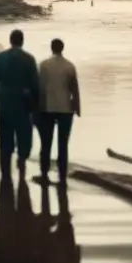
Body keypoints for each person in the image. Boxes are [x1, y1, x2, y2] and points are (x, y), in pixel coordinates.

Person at [0, 29, 39, 177]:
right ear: (22, 41)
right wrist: (35, 106)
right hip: (22, 105)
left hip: (4, 104)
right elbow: (35, 85)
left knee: (5, 139)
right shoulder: (29, 59)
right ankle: (21, 162)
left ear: (10, 41)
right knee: (24, 137)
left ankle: (5, 172)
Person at [36, 38, 81, 185]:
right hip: (65, 109)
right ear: (63, 48)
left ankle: (44, 174)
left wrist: (36, 108)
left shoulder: (43, 65)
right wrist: (78, 108)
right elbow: (74, 89)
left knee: (46, 143)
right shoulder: (69, 66)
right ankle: (62, 177)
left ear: (51, 48)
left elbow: (40, 89)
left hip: (47, 108)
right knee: (63, 144)